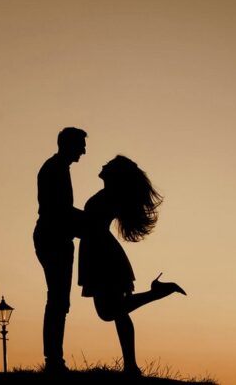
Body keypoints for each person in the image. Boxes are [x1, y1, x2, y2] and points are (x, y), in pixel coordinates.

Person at [78, 155, 186, 376]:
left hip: (102, 254)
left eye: (108, 165)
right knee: (116, 311)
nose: (103, 165)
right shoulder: (109, 195)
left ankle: (157, 294)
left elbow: (90, 223)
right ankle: (131, 366)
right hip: (98, 252)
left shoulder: (111, 196)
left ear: (115, 173)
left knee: (109, 312)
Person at [33, 127, 87, 372]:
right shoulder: (54, 169)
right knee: (58, 300)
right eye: (80, 145)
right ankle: (53, 360)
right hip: (54, 238)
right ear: (68, 145)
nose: (84, 151)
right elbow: (59, 212)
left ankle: (54, 358)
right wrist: (91, 222)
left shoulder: (57, 168)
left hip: (54, 237)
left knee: (58, 300)